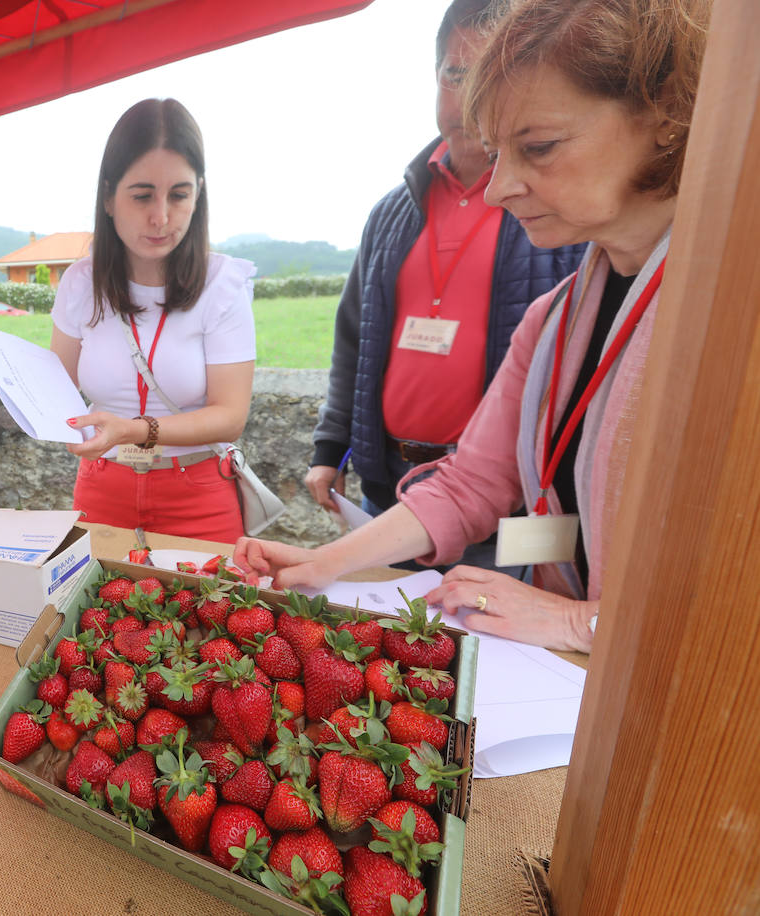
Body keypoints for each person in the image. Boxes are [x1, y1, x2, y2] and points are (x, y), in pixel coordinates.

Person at [236, 0, 708, 653]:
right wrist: (326, 562)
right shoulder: (552, 322)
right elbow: (471, 481)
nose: (498, 188)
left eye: (537, 147)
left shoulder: (729, 318)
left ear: (664, 114)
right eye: (497, 153)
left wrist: (582, 620)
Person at [307, 0, 584, 573]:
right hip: (386, 497)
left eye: (487, 75)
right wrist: (329, 451)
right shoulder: (392, 213)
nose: (467, 97)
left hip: (502, 514)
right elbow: (352, 342)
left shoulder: (551, 212)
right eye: (455, 75)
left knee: (483, 652)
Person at [50, 98, 256, 543]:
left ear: (198, 194)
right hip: (103, 489)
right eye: (142, 195)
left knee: (210, 612)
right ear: (108, 196)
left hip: (198, 495)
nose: (161, 216)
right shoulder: (80, 283)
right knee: (94, 612)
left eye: (179, 195)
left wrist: (134, 430)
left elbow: (230, 416)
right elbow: (56, 389)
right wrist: (12, 381)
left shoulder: (223, 285)